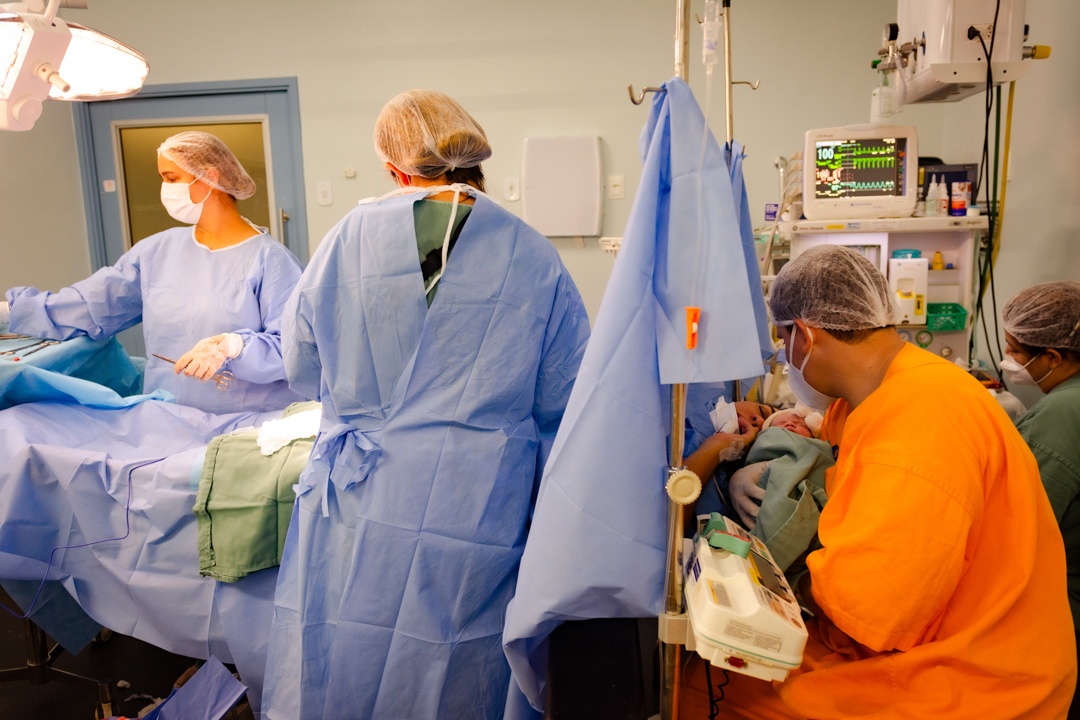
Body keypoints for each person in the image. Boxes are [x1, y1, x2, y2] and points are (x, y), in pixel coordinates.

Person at [261, 90, 591, 720]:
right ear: (475, 161)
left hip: (364, 496)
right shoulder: (533, 254)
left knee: (348, 641)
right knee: (454, 657)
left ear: (395, 169)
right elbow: (563, 398)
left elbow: (300, 367)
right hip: (475, 501)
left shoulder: (348, 238)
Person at [685, 245, 1075, 719]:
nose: (783, 356)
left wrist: (775, 566)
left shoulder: (919, 420)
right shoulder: (883, 393)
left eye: (782, 340)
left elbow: (871, 614)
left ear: (804, 337)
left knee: (705, 685)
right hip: (933, 635)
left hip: (971, 677)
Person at [0, 131, 303, 414]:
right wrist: (10, 311)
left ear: (209, 177)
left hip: (247, 421)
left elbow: (293, 348)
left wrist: (233, 347)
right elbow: (92, 305)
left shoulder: (271, 261)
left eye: (172, 178)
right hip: (170, 416)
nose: (165, 189)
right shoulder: (157, 251)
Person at [1001, 280, 1080, 718]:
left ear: (1052, 356)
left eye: (1015, 350)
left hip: (1063, 606)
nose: (1010, 360)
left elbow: (1020, 526)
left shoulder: (1061, 416)